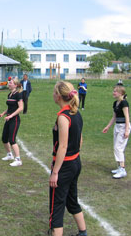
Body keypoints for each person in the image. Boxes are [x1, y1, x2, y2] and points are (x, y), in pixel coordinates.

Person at [49, 81, 87, 236]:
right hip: (75, 163)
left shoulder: (64, 117)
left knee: (56, 207)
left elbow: (62, 147)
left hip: (65, 166)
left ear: (58, 96)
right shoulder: (75, 112)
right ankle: (82, 232)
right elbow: (80, 140)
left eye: (53, 92)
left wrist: (55, 172)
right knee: (72, 200)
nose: (52, 95)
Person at [102, 85, 131, 179]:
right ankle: (119, 167)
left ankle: (122, 169)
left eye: (115, 91)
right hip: (117, 126)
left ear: (121, 93)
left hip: (123, 127)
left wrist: (126, 130)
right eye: (113, 91)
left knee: (119, 148)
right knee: (116, 147)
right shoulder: (115, 103)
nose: (113, 93)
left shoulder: (124, 103)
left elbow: (127, 117)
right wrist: (108, 126)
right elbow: (114, 117)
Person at [0, 77, 24, 167]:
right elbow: (10, 107)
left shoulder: (18, 94)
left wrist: (11, 116)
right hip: (8, 118)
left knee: (12, 140)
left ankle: (18, 159)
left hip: (14, 120)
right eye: (9, 82)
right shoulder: (9, 95)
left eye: (11, 83)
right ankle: (9, 155)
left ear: (15, 85)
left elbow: (20, 108)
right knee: (4, 138)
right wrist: (3, 114)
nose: (9, 84)